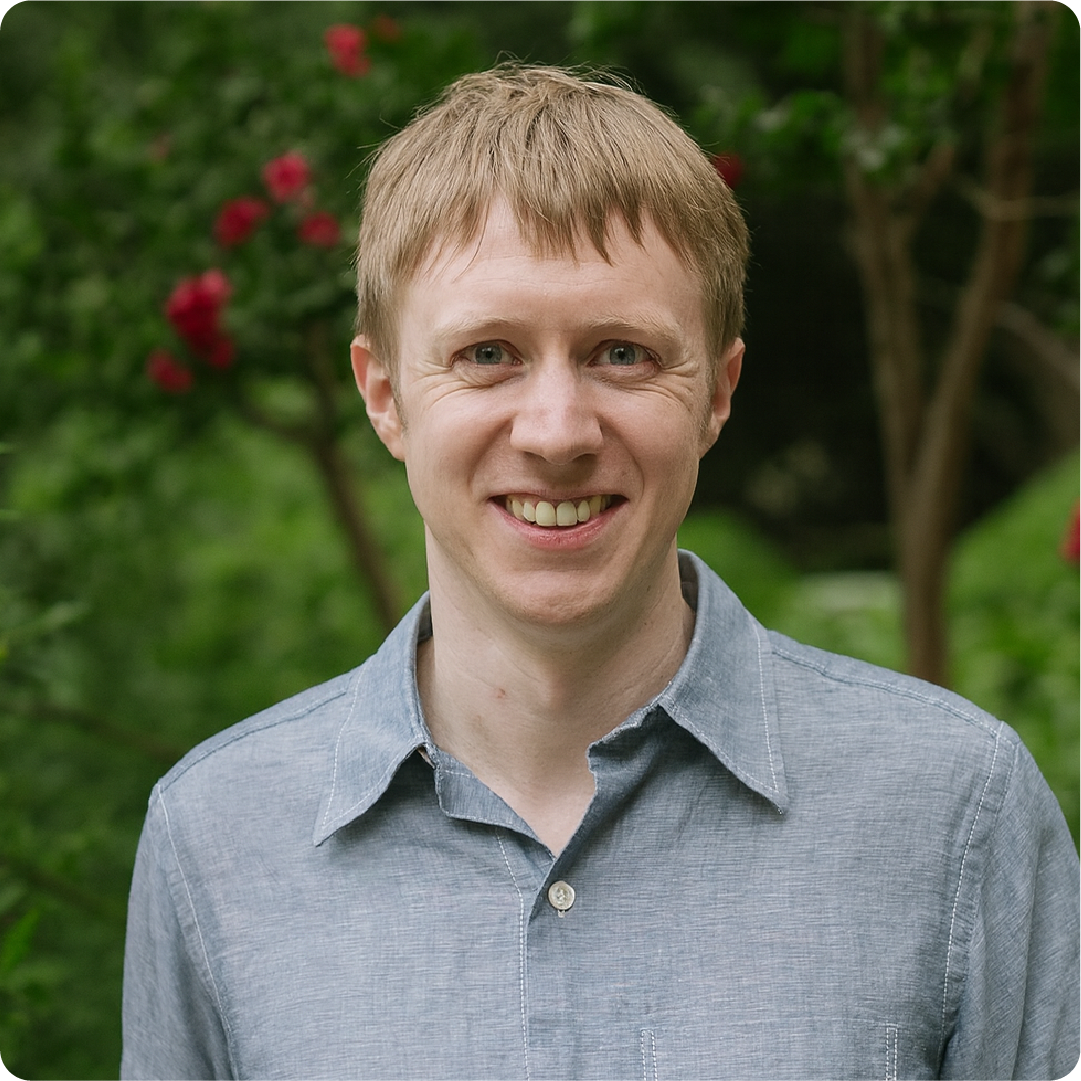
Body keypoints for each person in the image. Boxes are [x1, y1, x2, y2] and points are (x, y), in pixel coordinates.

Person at [121, 65, 1079, 1080]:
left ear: (716, 391)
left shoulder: (954, 811)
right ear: (385, 394)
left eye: (621, 353)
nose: (557, 432)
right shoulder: (215, 840)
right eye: (488, 352)